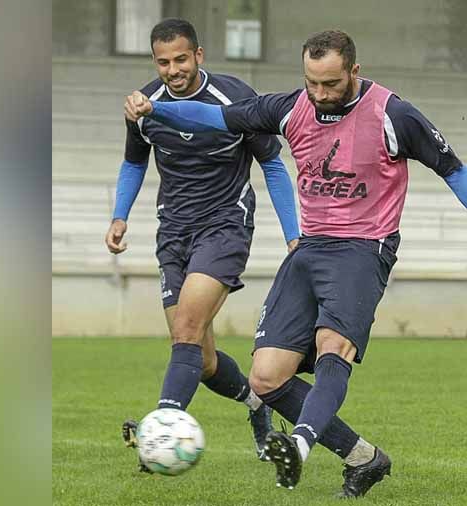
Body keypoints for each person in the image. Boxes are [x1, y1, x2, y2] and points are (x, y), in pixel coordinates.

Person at [123, 29, 467, 496]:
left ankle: (297, 447)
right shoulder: (290, 107)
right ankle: (364, 458)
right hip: (310, 248)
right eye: (311, 84)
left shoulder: (393, 114)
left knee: (331, 348)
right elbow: (213, 116)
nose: (320, 95)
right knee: (267, 378)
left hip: (364, 248)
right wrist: (153, 108)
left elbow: (453, 168)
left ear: (354, 71)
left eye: (331, 84)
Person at [105, 18, 300, 466]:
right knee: (202, 357)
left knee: (187, 331)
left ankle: (161, 427)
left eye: (180, 59)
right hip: (172, 230)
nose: (172, 70)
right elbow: (134, 164)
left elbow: (271, 165)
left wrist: (294, 235)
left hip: (225, 224)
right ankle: (256, 404)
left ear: (199, 55)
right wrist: (119, 215)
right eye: (162, 62)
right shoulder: (142, 105)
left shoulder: (235, 98)